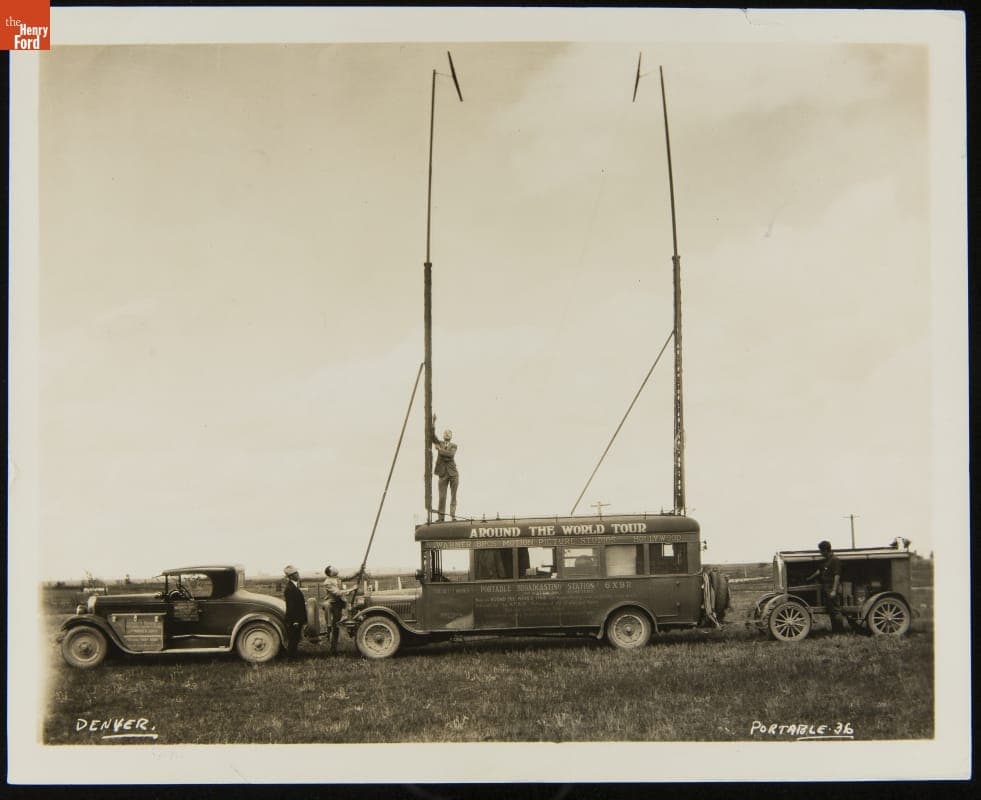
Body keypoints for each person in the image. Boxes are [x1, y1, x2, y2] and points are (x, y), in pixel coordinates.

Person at [806, 541, 846, 633]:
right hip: (826, 587)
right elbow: (819, 572)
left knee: (836, 610)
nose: (820, 553)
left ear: (825, 550)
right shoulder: (826, 561)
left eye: (821, 551)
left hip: (831, 587)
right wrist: (809, 578)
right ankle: (835, 630)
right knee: (831, 610)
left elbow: (837, 576)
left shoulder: (835, 560)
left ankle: (840, 631)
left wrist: (834, 590)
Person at [321, 565, 357, 655]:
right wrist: (352, 589)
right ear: (330, 573)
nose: (336, 568)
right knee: (331, 626)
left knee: (336, 626)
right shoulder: (327, 582)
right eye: (333, 568)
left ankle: (333, 649)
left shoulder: (337, 577)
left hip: (338, 605)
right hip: (331, 605)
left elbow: (349, 577)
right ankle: (328, 637)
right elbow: (337, 593)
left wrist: (359, 571)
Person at [432, 415, 459, 521]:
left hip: (453, 473)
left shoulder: (454, 445)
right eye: (445, 433)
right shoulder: (440, 443)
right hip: (442, 473)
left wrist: (439, 450)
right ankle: (441, 518)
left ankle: (453, 516)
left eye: (449, 433)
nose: (447, 434)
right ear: (443, 435)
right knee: (442, 497)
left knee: (453, 496)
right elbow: (432, 436)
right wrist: (433, 422)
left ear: (451, 436)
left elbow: (450, 455)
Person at [282, 565, 305, 658]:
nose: (298, 574)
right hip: (294, 619)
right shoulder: (289, 588)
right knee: (293, 639)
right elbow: (291, 606)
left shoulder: (293, 586)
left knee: (296, 638)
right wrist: (295, 621)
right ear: (291, 576)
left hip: (297, 618)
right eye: (296, 573)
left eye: (297, 573)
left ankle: (293, 656)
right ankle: (290, 658)